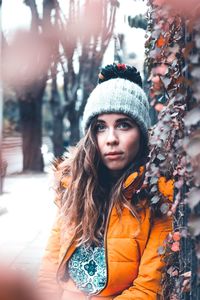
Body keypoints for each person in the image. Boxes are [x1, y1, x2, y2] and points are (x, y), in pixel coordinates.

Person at [38, 63, 173, 300]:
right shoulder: (73, 187)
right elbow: (49, 272)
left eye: (123, 124)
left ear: (141, 134)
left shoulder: (157, 196)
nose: (111, 139)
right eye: (100, 127)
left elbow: (147, 289)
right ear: (91, 135)